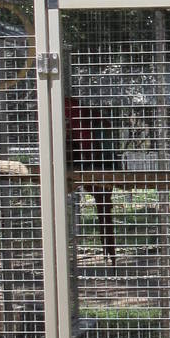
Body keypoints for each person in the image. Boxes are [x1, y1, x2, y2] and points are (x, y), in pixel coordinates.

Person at [64, 94, 121, 263]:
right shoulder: (73, 118)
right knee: (103, 209)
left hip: (99, 167)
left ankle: (110, 254)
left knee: (104, 208)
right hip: (82, 165)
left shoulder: (91, 119)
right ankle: (109, 254)